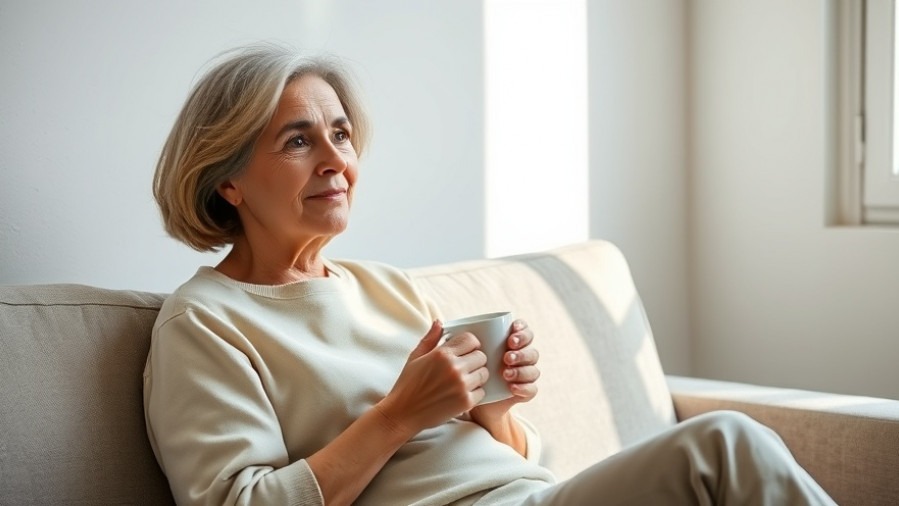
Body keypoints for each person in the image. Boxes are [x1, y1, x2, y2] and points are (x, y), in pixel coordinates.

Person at [144, 43, 836, 506]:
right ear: (226, 180)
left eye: (341, 133)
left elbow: (519, 463)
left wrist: (492, 411)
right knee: (723, 444)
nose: (335, 159)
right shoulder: (206, 322)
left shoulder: (383, 286)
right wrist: (397, 414)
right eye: (298, 140)